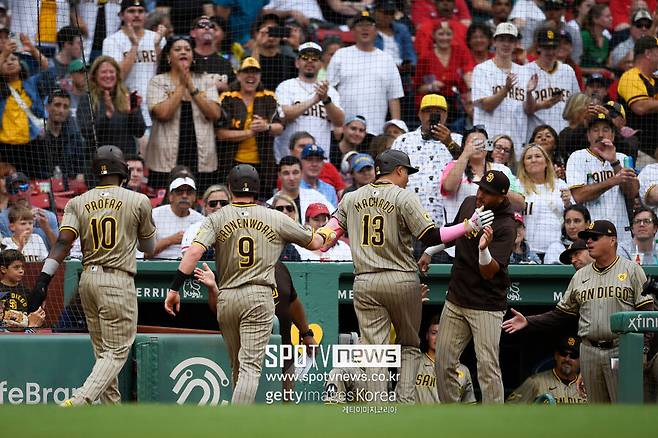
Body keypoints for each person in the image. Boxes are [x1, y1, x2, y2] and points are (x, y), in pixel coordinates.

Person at [326, 149, 494, 403]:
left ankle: (377, 406)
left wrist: (315, 238)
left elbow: (328, 233)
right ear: (399, 171)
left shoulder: (351, 197)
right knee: (409, 345)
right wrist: (467, 225)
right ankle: (404, 403)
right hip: (401, 279)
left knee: (374, 350)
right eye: (407, 173)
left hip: (365, 281)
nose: (408, 178)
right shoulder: (403, 197)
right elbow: (431, 236)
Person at [164, 164, 332, 404]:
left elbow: (192, 254)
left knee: (238, 368)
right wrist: (331, 229)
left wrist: (174, 289)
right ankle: (236, 424)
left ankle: (238, 420)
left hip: (228, 296)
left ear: (230, 188)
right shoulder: (275, 216)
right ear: (258, 187)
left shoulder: (217, 217)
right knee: (250, 369)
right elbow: (316, 243)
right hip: (258, 295)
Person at [32, 145, 156, 406]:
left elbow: (63, 243)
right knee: (117, 352)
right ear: (123, 170)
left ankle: (112, 417)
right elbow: (149, 248)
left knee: (103, 356)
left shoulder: (78, 202)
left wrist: (43, 280)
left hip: (87, 280)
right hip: (117, 279)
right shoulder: (139, 200)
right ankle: (78, 401)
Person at [502, 220, 654, 403]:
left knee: (625, 411)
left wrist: (641, 351)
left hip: (620, 349)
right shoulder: (580, 276)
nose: (589, 241)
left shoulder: (632, 270)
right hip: (589, 352)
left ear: (613, 240)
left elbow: (647, 313)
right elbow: (561, 314)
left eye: (595, 237)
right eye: (587, 238)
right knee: (597, 417)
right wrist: (529, 321)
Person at [424, 170, 516, 403]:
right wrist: (429, 251)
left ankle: (494, 424)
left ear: (502, 197)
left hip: (486, 305)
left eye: (488, 192)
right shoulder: (468, 202)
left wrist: (483, 248)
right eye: (481, 188)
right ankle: (451, 419)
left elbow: (489, 271)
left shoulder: (506, 225)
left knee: (487, 368)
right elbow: (453, 234)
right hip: (456, 298)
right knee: (443, 362)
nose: (481, 194)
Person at [146, 36, 221, 192]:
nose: (183, 52)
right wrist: (182, 84)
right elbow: (163, 114)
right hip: (165, 158)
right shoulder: (157, 81)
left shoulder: (206, 80)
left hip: (200, 157)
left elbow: (215, 114)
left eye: (187, 49)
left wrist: (192, 87)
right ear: (168, 57)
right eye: (178, 49)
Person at [566, 112, 638, 255]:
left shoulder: (622, 158)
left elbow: (632, 192)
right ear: (588, 135)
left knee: (622, 276)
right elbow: (579, 195)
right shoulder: (577, 157)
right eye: (595, 130)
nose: (600, 134)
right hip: (591, 236)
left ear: (612, 135)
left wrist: (614, 162)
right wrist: (613, 180)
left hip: (620, 236)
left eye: (605, 129)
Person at [216, 57, 284, 199]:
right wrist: (250, 132)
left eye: (255, 72)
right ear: (239, 75)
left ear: (260, 76)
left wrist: (266, 126)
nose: (251, 76)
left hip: (263, 167)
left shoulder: (269, 97)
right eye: (246, 72)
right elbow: (220, 134)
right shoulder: (227, 98)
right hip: (231, 164)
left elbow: (280, 127)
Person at [327, 10, 404, 136]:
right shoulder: (341, 55)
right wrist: (335, 124)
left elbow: (394, 97)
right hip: (345, 129)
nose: (365, 29)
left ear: (376, 30)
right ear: (353, 30)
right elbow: (329, 92)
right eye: (360, 25)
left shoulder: (387, 59)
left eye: (369, 25)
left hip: (375, 131)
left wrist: (396, 128)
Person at [392, 94, 460, 234]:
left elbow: (470, 167)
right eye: (428, 111)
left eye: (438, 112)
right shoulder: (403, 140)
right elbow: (391, 177)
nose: (433, 115)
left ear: (446, 115)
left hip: (444, 222)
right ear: (420, 114)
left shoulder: (458, 140)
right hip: (407, 219)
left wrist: (449, 143)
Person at [440, 127, 524, 233]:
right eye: (473, 143)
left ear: (488, 145)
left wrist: (497, 187)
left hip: (491, 233)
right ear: (464, 146)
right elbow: (448, 188)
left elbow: (520, 204)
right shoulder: (454, 165)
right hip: (457, 233)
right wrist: (465, 154)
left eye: (481, 143)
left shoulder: (502, 169)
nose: (478, 146)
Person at [274, 42, 344, 163]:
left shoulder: (329, 91)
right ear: (297, 63)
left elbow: (339, 121)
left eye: (315, 58)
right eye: (305, 58)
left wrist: (326, 100)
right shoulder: (286, 86)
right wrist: (314, 100)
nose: (310, 61)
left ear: (321, 64)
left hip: (320, 160)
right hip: (290, 161)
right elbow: (285, 114)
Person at [102, 0, 166, 129]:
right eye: (131, 11)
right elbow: (117, 77)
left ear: (146, 15)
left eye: (140, 11)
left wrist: (158, 46)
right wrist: (134, 45)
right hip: (127, 110)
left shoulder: (158, 38)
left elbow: (164, 73)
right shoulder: (111, 41)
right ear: (121, 16)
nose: (136, 15)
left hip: (155, 106)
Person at [472, 22, 528, 157]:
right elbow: (487, 105)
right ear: (494, 42)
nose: (506, 44)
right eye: (502, 39)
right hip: (488, 141)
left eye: (511, 40)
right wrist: (506, 90)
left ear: (516, 44)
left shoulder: (525, 72)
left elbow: (528, 110)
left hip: (516, 143)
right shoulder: (481, 69)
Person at [77, 55, 146, 156]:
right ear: (95, 75)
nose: (108, 75)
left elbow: (139, 132)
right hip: (99, 160)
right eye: (104, 72)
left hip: (124, 158)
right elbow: (86, 132)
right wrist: (107, 115)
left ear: (117, 75)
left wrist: (133, 112)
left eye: (111, 72)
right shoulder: (86, 98)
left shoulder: (126, 96)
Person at [0, 39, 49, 177]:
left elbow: (47, 68)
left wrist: (32, 49)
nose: (9, 62)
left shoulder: (31, 83)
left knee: (35, 183)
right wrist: (5, 52)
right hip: (5, 148)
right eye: (5, 60)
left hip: (32, 145)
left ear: (21, 65)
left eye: (13, 59)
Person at [523, 29, 581, 138]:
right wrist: (542, 105)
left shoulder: (568, 70)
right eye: (546, 47)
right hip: (537, 136)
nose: (550, 52)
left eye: (553, 47)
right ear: (538, 47)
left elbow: (576, 105)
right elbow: (526, 110)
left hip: (563, 137)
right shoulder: (526, 71)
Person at [414, 21, 474, 123]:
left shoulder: (460, 52)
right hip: (432, 104)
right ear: (434, 35)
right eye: (441, 34)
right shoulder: (425, 58)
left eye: (448, 34)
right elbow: (417, 88)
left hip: (457, 105)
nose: (445, 38)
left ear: (453, 35)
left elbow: (468, 72)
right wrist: (431, 86)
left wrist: (471, 90)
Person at [518, 143, 571, 258]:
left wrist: (568, 204)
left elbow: (572, 215)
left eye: (538, 156)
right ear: (524, 164)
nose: (533, 160)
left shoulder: (560, 185)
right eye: (529, 157)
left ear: (546, 162)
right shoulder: (517, 186)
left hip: (555, 250)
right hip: (526, 251)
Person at [507, 336, 587, 404]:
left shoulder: (588, 387)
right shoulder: (535, 382)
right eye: (563, 353)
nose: (567, 359)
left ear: (581, 360)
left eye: (573, 356)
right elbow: (509, 409)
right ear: (556, 355)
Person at [416, 315, 476, 404]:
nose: (438, 337)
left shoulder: (463, 370)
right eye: (434, 333)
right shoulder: (416, 362)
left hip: (450, 417)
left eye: (443, 333)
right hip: (420, 417)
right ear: (427, 335)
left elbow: (469, 405)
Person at [617, 35, 658, 164]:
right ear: (648, 53)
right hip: (638, 151)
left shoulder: (654, 79)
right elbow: (640, 107)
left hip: (653, 150)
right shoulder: (630, 76)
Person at [0, 172, 58, 250]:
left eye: (23, 188)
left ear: (31, 188)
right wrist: (27, 221)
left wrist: (47, 228)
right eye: (14, 190)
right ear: (8, 194)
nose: (20, 193)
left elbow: (62, 251)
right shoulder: (3, 219)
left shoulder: (48, 216)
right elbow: (9, 253)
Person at [38, 88, 85, 183]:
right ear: (47, 107)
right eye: (57, 105)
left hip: (70, 187)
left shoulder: (75, 137)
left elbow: (81, 167)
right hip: (43, 186)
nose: (61, 110)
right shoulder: (38, 137)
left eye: (65, 107)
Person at [268, 156, 334, 223]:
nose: (291, 178)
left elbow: (334, 217)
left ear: (302, 173)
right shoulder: (270, 204)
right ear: (279, 175)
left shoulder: (315, 196)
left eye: (295, 172)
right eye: (286, 173)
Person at [151, 176, 203, 260]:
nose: (185, 196)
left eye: (189, 192)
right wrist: (171, 240)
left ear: (194, 197)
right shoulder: (154, 215)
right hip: (157, 265)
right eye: (179, 192)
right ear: (170, 196)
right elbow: (144, 253)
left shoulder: (201, 220)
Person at [247, 13, 297, 92]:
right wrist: (257, 44)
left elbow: (304, 78)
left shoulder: (289, 61)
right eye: (266, 31)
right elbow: (249, 78)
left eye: (275, 30)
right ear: (256, 34)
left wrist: (296, 46)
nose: (271, 35)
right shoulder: (248, 59)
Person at [180, 184, 231, 257]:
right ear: (205, 206)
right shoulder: (194, 229)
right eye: (213, 204)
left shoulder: (239, 227)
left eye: (223, 203)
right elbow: (188, 257)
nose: (218, 207)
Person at [189, 15, 236, 94]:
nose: (207, 28)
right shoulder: (186, 59)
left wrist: (225, 88)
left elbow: (235, 91)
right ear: (193, 33)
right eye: (202, 26)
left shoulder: (225, 63)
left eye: (211, 26)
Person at [579, 4, 613, 76]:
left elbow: (607, 65)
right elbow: (574, 67)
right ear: (595, 19)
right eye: (607, 16)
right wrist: (598, 71)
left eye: (611, 16)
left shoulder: (607, 41)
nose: (611, 18)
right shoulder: (584, 36)